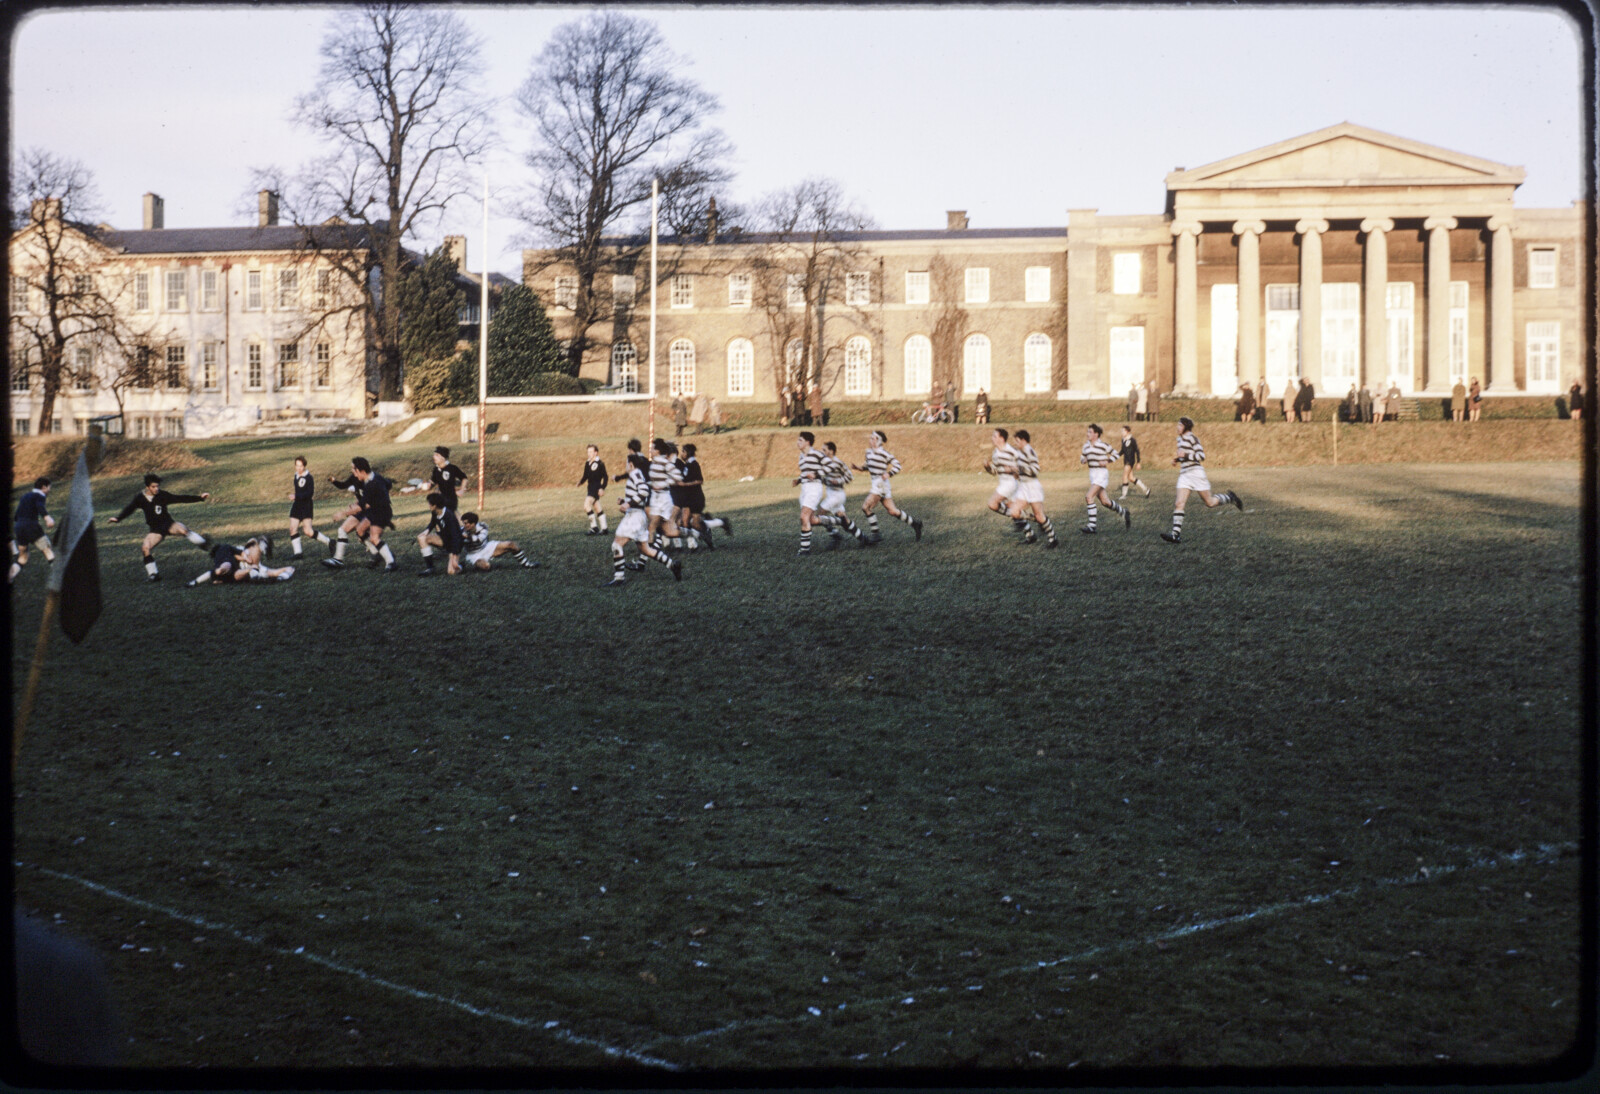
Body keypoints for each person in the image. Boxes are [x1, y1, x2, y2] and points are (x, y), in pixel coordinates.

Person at [108, 473, 212, 582]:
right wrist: (118, 518)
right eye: (153, 487)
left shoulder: (162, 495)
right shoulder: (140, 498)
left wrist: (199, 498)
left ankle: (203, 543)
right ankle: (153, 575)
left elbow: (180, 498)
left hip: (168, 524)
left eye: (157, 486)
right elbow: (130, 509)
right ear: (147, 487)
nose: (156, 489)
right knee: (145, 548)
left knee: (183, 530)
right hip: (156, 530)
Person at [603, 452, 681, 586]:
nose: (625, 466)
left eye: (626, 463)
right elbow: (639, 494)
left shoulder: (635, 474)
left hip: (635, 517)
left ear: (631, 465)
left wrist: (628, 504)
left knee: (617, 544)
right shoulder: (637, 474)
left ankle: (619, 578)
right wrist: (625, 500)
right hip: (638, 516)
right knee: (646, 550)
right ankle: (673, 565)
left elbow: (644, 491)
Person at [1160, 417, 1243, 544]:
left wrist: (1185, 456)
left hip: (1196, 474)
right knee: (1179, 503)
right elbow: (1185, 456)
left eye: (1179, 425)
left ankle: (1230, 498)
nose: (1177, 427)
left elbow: (1201, 456)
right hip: (1184, 475)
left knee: (1209, 503)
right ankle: (1175, 535)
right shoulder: (1179, 439)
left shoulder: (1193, 438)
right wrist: (1177, 460)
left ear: (1185, 427)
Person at [322, 457, 398, 572]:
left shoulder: (373, 484)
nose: (352, 472)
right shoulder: (371, 479)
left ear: (362, 471)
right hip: (374, 510)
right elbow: (388, 484)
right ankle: (378, 554)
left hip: (382, 512)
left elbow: (361, 506)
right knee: (360, 531)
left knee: (374, 538)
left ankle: (391, 562)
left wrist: (342, 513)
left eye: (354, 469)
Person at [852, 430, 922, 541]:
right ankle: (915, 524)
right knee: (893, 511)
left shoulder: (884, 453)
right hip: (878, 484)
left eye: (872, 438)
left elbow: (897, 466)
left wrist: (889, 473)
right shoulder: (868, 452)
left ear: (878, 441)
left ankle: (876, 534)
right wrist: (858, 468)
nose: (870, 440)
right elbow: (868, 466)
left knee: (866, 507)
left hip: (880, 485)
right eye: (870, 438)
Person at [672, 442, 730, 549]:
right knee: (684, 521)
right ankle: (693, 545)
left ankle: (713, 528)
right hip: (688, 498)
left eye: (683, 452)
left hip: (696, 497)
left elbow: (699, 481)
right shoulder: (686, 465)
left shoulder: (694, 464)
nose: (682, 454)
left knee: (695, 524)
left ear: (688, 453)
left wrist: (685, 484)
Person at [646, 437, 699, 552]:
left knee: (672, 523)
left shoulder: (676, 464)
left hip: (676, 497)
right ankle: (668, 545)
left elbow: (679, 479)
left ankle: (692, 539)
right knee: (662, 524)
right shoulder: (656, 463)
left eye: (652, 449)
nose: (650, 451)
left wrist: (663, 484)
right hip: (666, 496)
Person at [1008, 429, 1058, 547]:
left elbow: (1035, 470)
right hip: (1024, 487)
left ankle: (1053, 538)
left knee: (1040, 516)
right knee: (1014, 511)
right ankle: (1030, 535)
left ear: (1023, 440)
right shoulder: (1019, 453)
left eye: (1017, 441)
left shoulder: (1030, 451)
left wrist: (1019, 469)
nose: (1015, 443)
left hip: (1033, 487)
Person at [1078, 424, 1130, 534]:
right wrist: (1083, 460)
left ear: (1096, 434)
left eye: (1090, 432)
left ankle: (1092, 526)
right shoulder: (1086, 446)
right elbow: (1082, 457)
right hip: (1092, 474)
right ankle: (1124, 512)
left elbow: (1116, 453)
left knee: (1089, 497)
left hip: (1101, 474)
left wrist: (1107, 461)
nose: (1087, 434)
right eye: (1087, 432)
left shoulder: (1103, 445)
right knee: (1105, 502)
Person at [818, 441, 870, 548]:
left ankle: (835, 535)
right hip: (831, 494)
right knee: (845, 521)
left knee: (820, 515)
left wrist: (838, 481)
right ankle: (863, 538)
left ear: (831, 451)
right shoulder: (824, 463)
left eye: (824, 450)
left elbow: (850, 476)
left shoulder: (838, 463)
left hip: (837, 495)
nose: (822, 452)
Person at [285, 456, 334, 560]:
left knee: (308, 531)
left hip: (306, 505)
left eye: (301, 466)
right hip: (297, 505)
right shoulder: (295, 475)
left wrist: (296, 496)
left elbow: (310, 493)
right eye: (297, 465)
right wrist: (295, 496)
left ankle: (330, 542)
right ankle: (298, 553)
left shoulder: (309, 478)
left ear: (304, 466)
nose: (299, 468)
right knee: (292, 529)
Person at [983, 427, 1028, 538]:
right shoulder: (995, 453)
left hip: (1010, 484)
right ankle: (1031, 530)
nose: (992, 438)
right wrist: (987, 467)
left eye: (994, 436)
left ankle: (1022, 521)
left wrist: (1014, 469)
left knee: (992, 504)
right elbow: (994, 472)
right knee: (1014, 511)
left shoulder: (1012, 451)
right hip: (1004, 483)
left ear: (1002, 439)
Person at [459, 512, 540, 572]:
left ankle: (527, 564)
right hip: (473, 554)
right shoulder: (461, 531)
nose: (464, 525)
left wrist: (467, 536)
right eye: (463, 523)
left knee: (511, 545)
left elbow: (479, 539)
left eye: (466, 523)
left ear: (473, 524)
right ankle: (466, 564)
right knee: (486, 567)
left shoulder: (483, 526)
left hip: (486, 547)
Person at [10, 476, 55, 583]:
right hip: (31, 526)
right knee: (47, 549)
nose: (49, 490)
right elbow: (40, 506)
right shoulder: (40, 495)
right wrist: (47, 518)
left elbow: (16, 516)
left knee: (23, 557)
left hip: (19, 527)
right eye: (49, 488)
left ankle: (9, 576)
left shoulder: (25, 496)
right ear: (44, 487)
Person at [792, 431, 828, 555]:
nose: (797, 443)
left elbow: (829, 467)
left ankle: (804, 550)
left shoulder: (817, 454)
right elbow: (805, 473)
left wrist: (816, 474)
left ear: (807, 442)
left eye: (800, 440)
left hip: (814, 488)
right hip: (805, 489)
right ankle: (836, 522)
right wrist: (799, 480)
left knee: (804, 517)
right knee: (811, 520)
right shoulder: (801, 456)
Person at [401, 446, 468, 509]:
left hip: (451, 499)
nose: (434, 457)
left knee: (448, 516)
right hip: (441, 497)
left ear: (443, 458)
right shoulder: (436, 469)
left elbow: (464, 478)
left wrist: (461, 490)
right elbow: (433, 481)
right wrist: (428, 485)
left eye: (437, 455)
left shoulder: (452, 468)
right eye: (434, 455)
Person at [417, 492, 464, 576]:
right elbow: (433, 521)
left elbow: (456, 537)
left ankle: (461, 565)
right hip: (444, 540)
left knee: (451, 572)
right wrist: (427, 530)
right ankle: (430, 568)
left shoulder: (449, 516)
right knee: (422, 538)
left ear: (435, 505)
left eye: (429, 504)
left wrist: (454, 554)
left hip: (454, 544)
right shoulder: (435, 512)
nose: (428, 505)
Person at [576, 444, 609, 535]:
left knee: (586, 506)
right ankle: (604, 528)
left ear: (596, 452)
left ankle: (594, 527)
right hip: (590, 488)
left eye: (591, 452)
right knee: (597, 507)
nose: (589, 454)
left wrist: (602, 488)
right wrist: (580, 482)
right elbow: (585, 476)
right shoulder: (587, 463)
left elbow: (605, 477)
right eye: (588, 452)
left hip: (596, 489)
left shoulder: (600, 463)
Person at [1118, 425, 1150, 499]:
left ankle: (1124, 495)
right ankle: (1146, 490)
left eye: (1123, 431)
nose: (1122, 432)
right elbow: (1122, 451)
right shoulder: (1123, 440)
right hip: (1126, 461)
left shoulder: (1132, 440)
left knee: (1124, 476)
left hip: (1130, 461)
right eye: (1121, 431)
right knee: (1131, 478)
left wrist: (1138, 462)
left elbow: (1137, 451)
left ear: (1127, 431)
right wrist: (1115, 456)